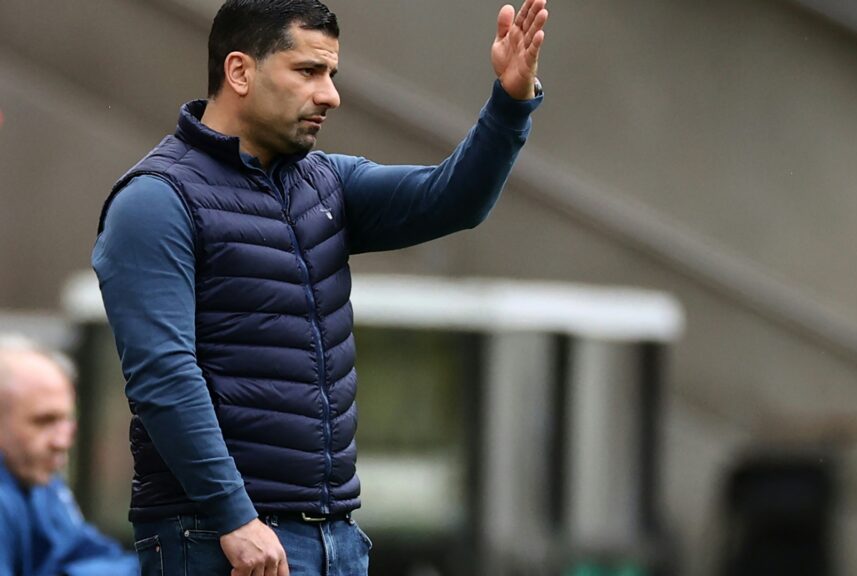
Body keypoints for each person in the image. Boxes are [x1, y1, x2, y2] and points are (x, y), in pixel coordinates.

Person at [91, 0, 547, 574]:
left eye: (331, 74)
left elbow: (451, 199)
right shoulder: (154, 201)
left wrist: (509, 103)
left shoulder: (325, 181)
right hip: (222, 539)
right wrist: (235, 518)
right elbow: (163, 374)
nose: (329, 95)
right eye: (309, 71)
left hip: (333, 537)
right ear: (239, 72)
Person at [0, 335, 139, 576]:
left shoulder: (39, 482)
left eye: (66, 419)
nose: (62, 441)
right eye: (44, 421)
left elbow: (89, 555)